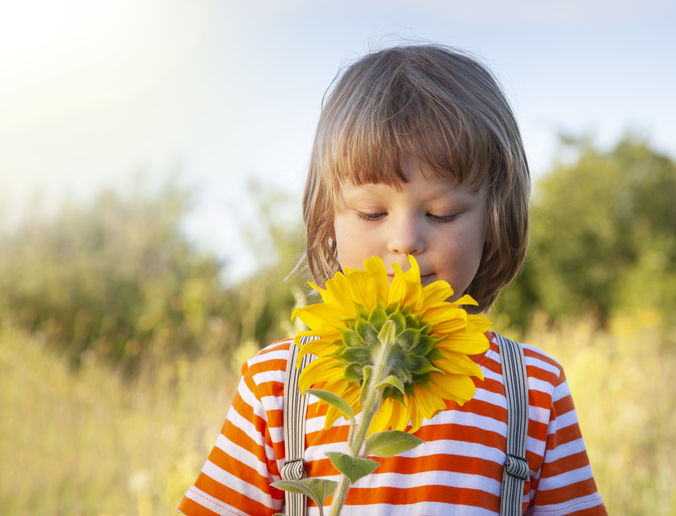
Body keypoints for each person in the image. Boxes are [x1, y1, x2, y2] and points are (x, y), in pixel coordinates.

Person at [179, 44, 605, 515]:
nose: (405, 240)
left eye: (441, 214)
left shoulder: (534, 390)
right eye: (372, 211)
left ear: (495, 219)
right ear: (328, 218)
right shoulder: (279, 387)